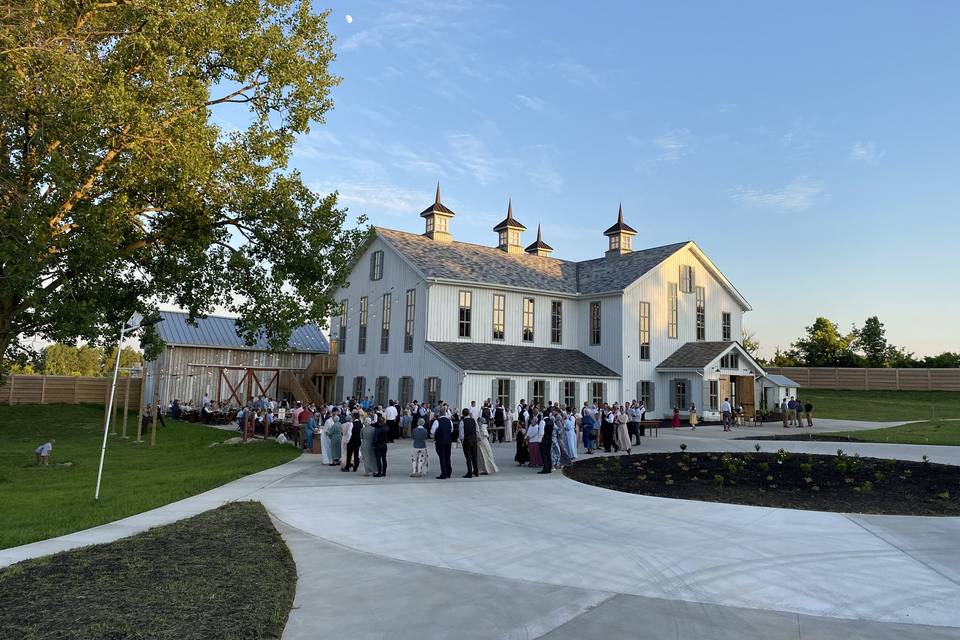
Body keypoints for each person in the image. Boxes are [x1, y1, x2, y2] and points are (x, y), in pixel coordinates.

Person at [431, 411, 453, 479]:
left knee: (442, 457)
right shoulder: (450, 421)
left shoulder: (437, 421)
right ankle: (448, 472)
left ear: (439, 414)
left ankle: (443, 473)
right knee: (447, 457)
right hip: (448, 441)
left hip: (440, 441)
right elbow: (451, 430)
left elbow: (432, 431)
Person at [459, 408, 479, 478]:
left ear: (462, 414)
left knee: (468, 457)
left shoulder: (462, 422)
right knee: (474, 456)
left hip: (467, 440)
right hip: (474, 439)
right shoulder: (473, 420)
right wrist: (477, 438)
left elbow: (461, 434)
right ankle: (476, 471)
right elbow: (477, 430)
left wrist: (461, 441)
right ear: (468, 413)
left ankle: (469, 472)